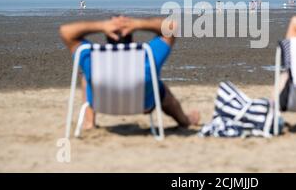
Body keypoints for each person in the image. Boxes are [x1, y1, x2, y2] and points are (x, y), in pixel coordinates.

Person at [59, 15, 200, 131]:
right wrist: (137, 23)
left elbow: (66, 31)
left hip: (101, 104)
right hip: (144, 104)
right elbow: (172, 27)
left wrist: (102, 26)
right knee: (159, 87)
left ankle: (89, 123)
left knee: (86, 78)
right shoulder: (147, 55)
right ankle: (185, 120)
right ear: (131, 36)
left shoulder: (92, 59)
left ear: (108, 36)